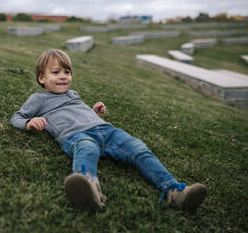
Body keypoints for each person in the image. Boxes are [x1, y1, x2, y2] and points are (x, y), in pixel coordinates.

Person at [11, 49, 207, 213]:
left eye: (67, 72)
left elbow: (79, 111)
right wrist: (29, 122)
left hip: (105, 130)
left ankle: (176, 192)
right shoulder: (39, 99)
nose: (63, 76)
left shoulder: (73, 94)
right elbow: (16, 118)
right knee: (86, 150)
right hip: (76, 136)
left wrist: (94, 112)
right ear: (41, 78)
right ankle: (89, 190)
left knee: (139, 148)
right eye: (55, 72)